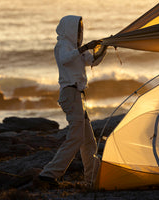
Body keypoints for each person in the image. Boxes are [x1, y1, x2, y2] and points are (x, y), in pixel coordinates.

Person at [39, 15, 106, 187]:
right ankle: (49, 174)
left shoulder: (77, 49)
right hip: (70, 94)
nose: (80, 32)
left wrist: (103, 48)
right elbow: (65, 59)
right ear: (69, 29)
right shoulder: (62, 45)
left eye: (81, 30)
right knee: (76, 137)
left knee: (88, 141)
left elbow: (93, 61)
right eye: (78, 29)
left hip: (78, 96)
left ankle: (93, 180)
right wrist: (84, 47)